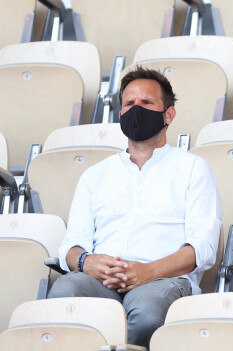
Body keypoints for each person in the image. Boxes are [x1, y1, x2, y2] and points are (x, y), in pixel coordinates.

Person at [48, 66, 222, 348]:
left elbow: (201, 250)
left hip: (162, 280)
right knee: (65, 292)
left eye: (147, 103)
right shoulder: (95, 175)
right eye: (129, 103)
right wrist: (87, 263)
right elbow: (71, 246)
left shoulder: (194, 169)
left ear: (169, 114)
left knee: (147, 316)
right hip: (101, 280)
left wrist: (147, 271)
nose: (136, 109)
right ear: (120, 114)